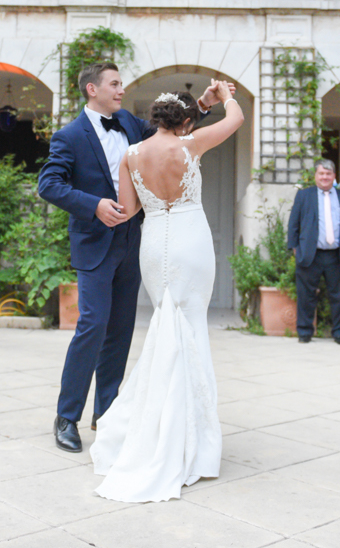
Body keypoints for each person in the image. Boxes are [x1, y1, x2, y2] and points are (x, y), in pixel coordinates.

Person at [38, 63, 227, 453]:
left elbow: (171, 131)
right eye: (115, 84)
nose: (121, 90)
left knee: (121, 331)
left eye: (121, 83)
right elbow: (49, 184)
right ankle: (67, 417)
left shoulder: (127, 122)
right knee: (92, 325)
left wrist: (204, 105)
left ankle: (106, 414)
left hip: (135, 244)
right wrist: (93, 206)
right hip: (94, 244)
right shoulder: (68, 136)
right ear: (92, 89)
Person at [90, 83, 243, 502]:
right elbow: (237, 119)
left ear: (156, 118)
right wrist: (225, 94)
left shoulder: (131, 154)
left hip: (154, 243)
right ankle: (189, 436)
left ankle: (154, 427)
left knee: (164, 325)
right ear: (185, 121)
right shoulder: (191, 145)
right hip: (191, 242)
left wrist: (99, 206)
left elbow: (129, 209)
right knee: (191, 328)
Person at [287, 159, 340, 344]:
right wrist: (294, 248)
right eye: (321, 173)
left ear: (334, 176)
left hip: (338, 255)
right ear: (316, 176)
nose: (325, 177)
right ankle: (304, 332)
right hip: (310, 254)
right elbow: (293, 224)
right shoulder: (304, 196)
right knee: (306, 296)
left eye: (328, 174)